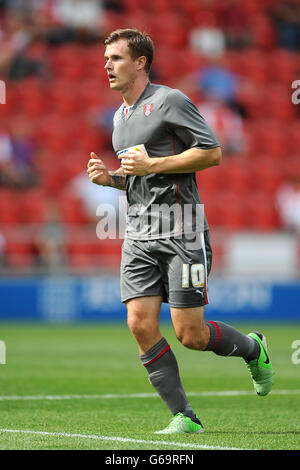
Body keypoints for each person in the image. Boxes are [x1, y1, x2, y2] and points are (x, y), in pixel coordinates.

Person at [87, 28, 274, 434]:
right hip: (138, 233)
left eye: (116, 58)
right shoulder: (119, 118)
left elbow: (212, 153)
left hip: (182, 231)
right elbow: (138, 179)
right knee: (139, 323)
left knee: (190, 333)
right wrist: (111, 179)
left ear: (140, 63)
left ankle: (253, 348)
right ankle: (184, 417)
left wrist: (151, 165)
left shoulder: (170, 100)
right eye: (106, 59)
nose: (107, 65)